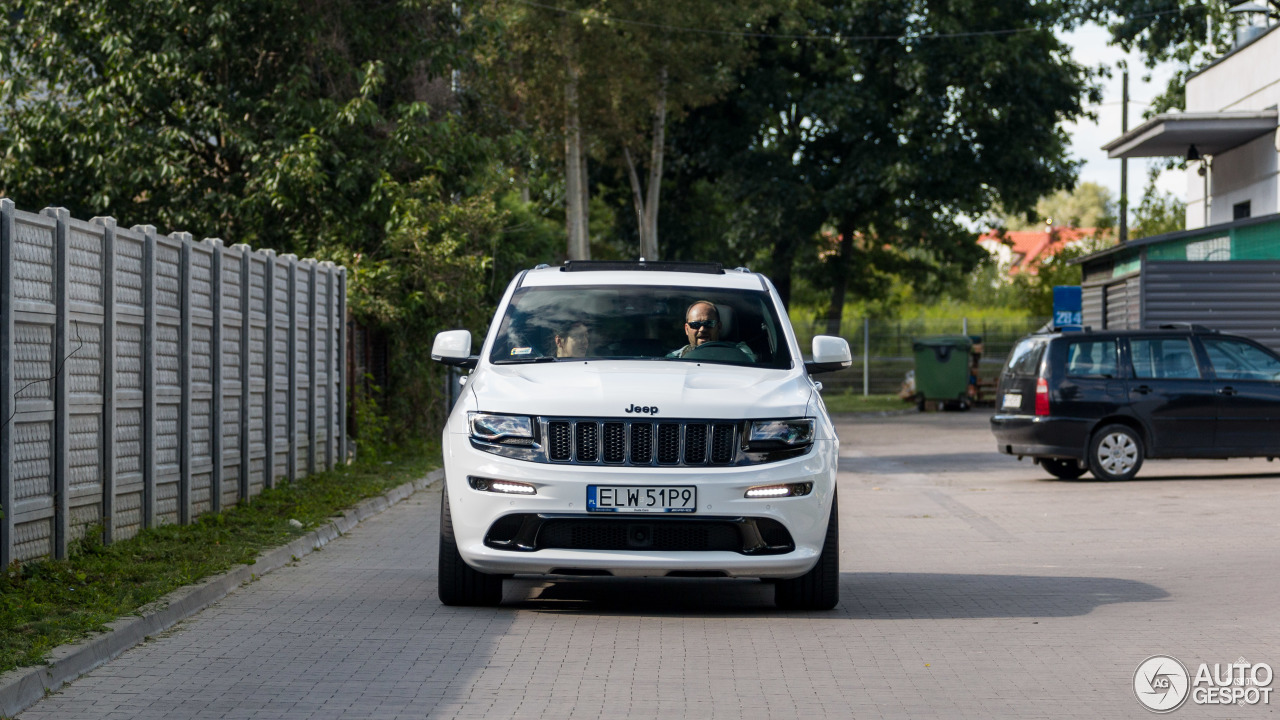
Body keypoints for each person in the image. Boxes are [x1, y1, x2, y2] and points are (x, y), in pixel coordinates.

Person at [667, 301, 756, 361]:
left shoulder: (740, 353)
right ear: (686, 329)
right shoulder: (675, 358)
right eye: (695, 325)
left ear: (719, 326)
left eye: (708, 323)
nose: (702, 329)